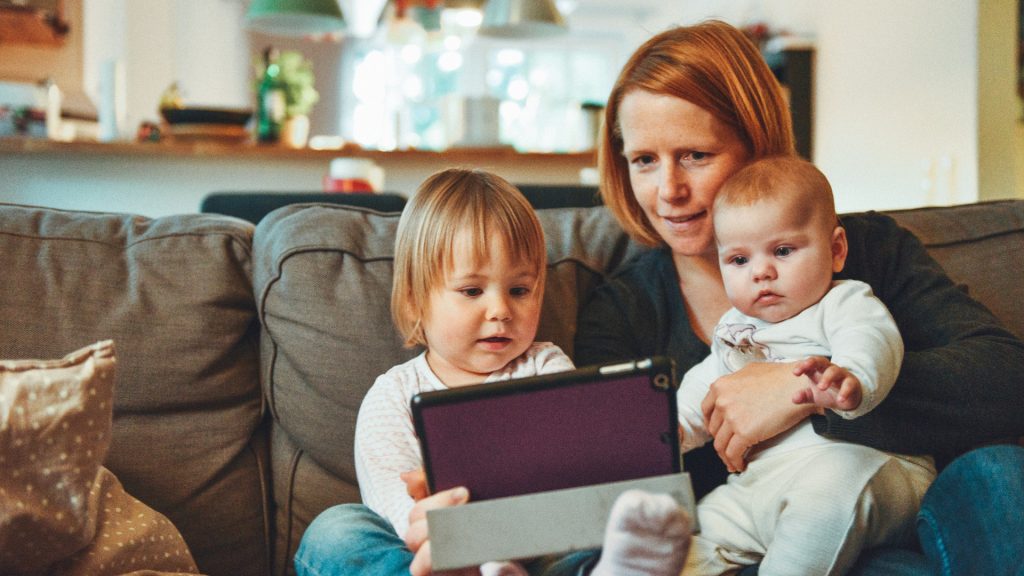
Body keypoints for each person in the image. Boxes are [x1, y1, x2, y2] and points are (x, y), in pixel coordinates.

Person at [572, 19, 1024, 576]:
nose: (668, 191)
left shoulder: (866, 252)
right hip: (735, 545)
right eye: (644, 160)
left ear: (754, 145)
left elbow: (1006, 377)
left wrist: (802, 388)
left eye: (695, 155)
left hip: (889, 521)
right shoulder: (622, 309)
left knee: (1000, 472)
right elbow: (617, 478)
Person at [294, 168, 693, 576]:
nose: (501, 310)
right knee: (337, 530)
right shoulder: (392, 394)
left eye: (519, 290)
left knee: (590, 539)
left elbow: (574, 474)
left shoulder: (545, 367)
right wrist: (455, 545)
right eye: (471, 291)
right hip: (435, 556)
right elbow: (396, 507)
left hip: (538, 547)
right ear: (415, 301)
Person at [674, 155, 935, 574]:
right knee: (684, 537)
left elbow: (872, 338)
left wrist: (852, 377)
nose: (761, 272)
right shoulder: (735, 328)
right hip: (761, 484)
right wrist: (673, 431)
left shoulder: (843, 301)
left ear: (835, 250)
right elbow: (706, 384)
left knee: (826, 494)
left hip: (865, 468)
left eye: (782, 250)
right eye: (738, 260)